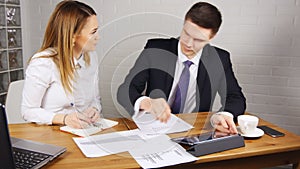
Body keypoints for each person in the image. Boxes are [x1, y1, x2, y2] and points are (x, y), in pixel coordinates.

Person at [117, 2, 246, 134]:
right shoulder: (155, 49)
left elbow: (235, 97)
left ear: (211, 38)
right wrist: (147, 103)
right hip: (155, 129)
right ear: (184, 24)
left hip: (195, 131)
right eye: (186, 33)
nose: (189, 44)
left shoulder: (219, 59)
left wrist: (225, 114)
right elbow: (125, 90)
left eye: (198, 40)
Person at [21, 0, 101, 129]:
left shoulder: (91, 58)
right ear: (73, 36)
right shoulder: (44, 62)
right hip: (51, 133)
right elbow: (28, 110)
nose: (98, 37)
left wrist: (94, 110)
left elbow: (95, 99)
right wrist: (64, 119)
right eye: (93, 32)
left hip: (84, 132)